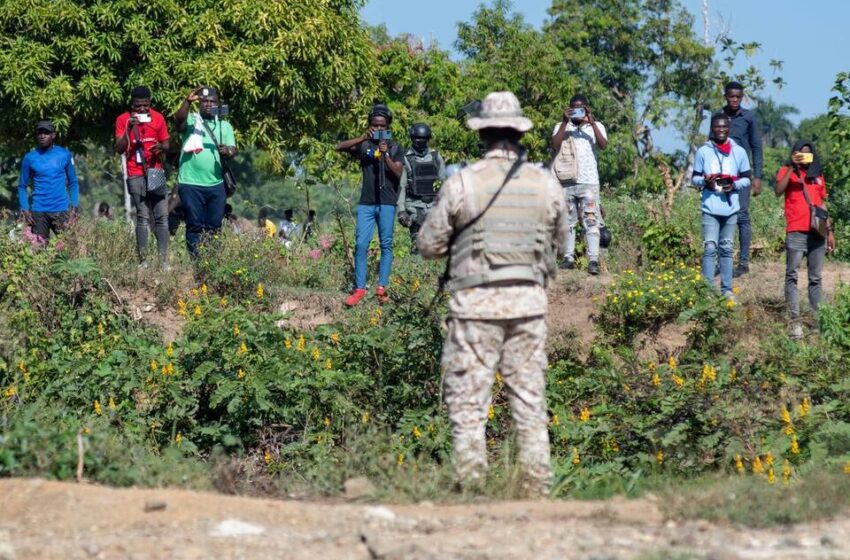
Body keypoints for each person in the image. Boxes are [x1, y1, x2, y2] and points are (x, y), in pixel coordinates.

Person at [418, 91, 568, 497]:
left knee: (469, 405)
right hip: (527, 305)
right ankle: (537, 491)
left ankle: (472, 488)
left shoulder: (462, 183)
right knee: (529, 401)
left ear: (482, 133)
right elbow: (563, 243)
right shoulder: (544, 183)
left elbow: (429, 245)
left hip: (474, 307)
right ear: (518, 133)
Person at [335, 103, 404, 305]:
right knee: (361, 244)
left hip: (387, 203)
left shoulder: (396, 147)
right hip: (367, 202)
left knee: (386, 244)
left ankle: (381, 287)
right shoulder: (364, 145)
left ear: (388, 126)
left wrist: (385, 155)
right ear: (370, 125)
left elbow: (399, 173)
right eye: (375, 125)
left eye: (382, 126)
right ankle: (359, 289)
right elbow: (339, 147)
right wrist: (363, 138)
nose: (379, 129)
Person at [775, 141, 836, 338]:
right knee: (792, 275)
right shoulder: (787, 171)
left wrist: (830, 231)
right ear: (794, 154)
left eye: (808, 154)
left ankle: (818, 322)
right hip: (796, 230)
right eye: (801, 154)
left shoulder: (818, 175)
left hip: (817, 233)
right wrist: (793, 167)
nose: (805, 157)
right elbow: (778, 191)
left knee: (815, 278)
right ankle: (795, 323)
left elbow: (822, 203)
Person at [692, 113, 751, 298]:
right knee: (710, 248)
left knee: (726, 249)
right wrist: (705, 181)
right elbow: (694, 178)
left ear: (729, 128)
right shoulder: (704, 151)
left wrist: (733, 185)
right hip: (710, 207)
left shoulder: (739, 151)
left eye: (725, 126)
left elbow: (747, 179)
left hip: (731, 208)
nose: (721, 130)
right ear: (712, 128)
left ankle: (726, 290)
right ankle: (707, 291)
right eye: (718, 127)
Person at [174, 86, 237, 257]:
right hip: (190, 183)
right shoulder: (192, 120)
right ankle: (197, 263)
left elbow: (233, 149)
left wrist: (228, 151)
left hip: (216, 184)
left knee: (214, 225)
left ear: (218, 104)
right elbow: (178, 123)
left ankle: (211, 262)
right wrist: (187, 102)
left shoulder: (225, 125)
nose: (208, 104)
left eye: (212, 102)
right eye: (205, 101)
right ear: (199, 104)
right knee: (195, 223)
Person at [551, 94, 608, 275]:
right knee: (568, 222)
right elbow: (554, 144)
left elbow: (603, 144)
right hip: (566, 182)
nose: (578, 111)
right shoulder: (561, 127)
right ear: (568, 108)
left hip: (589, 182)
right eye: (574, 107)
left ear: (587, 108)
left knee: (591, 220)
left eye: (581, 107)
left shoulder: (596, 126)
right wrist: (563, 122)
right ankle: (568, 258)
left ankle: (593, 260)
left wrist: (590, 123)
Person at [114, 86, 171, 266]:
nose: (142, 110)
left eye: (145, 106)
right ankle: (143, 261)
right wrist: (128, 129)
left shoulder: (158, 118)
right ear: (132, 104)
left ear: (150, 103)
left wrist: (161, 147)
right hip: (135, 173)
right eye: (138, 106)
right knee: (142, 216)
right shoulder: (123, 120)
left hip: (155, 171)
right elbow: (119, 148)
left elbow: (167, 144)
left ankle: (163, 262)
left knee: (162, 216)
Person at [723, 81, 763, 277]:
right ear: (726, 97)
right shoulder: (719, 117)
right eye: (731, 96)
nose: (735, 100)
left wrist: (758, 176)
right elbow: (710, 143)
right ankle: (723, 261)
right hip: (721, 174)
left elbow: (756, 147)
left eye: (738, 96)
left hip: (742, 174)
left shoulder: (748, 117)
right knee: (722, 215)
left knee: (742, 216)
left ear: (742, 97)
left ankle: (744, 262)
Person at [17, 121, 79, 240]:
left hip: (61, 210)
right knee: (39, 252)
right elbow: (22, 186)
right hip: (38, 212)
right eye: (40, 133)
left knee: (70, 248)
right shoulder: (29, 158)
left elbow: (73, 182)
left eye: (46, 133)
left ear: (53, 135)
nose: (42, 136)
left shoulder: (64, 154)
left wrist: (75, 207)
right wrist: (24, 208)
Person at [397, 123, 445, 254]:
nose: (421, 141)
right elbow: (402, 185)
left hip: (434, 205)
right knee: (418, 244)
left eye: (424, 138)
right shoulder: (406, 158)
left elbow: (443, 182)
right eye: (418, 138)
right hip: (414, 205)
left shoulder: (436, 156)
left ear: (428, 138)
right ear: (412, 138)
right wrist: (401, 210)